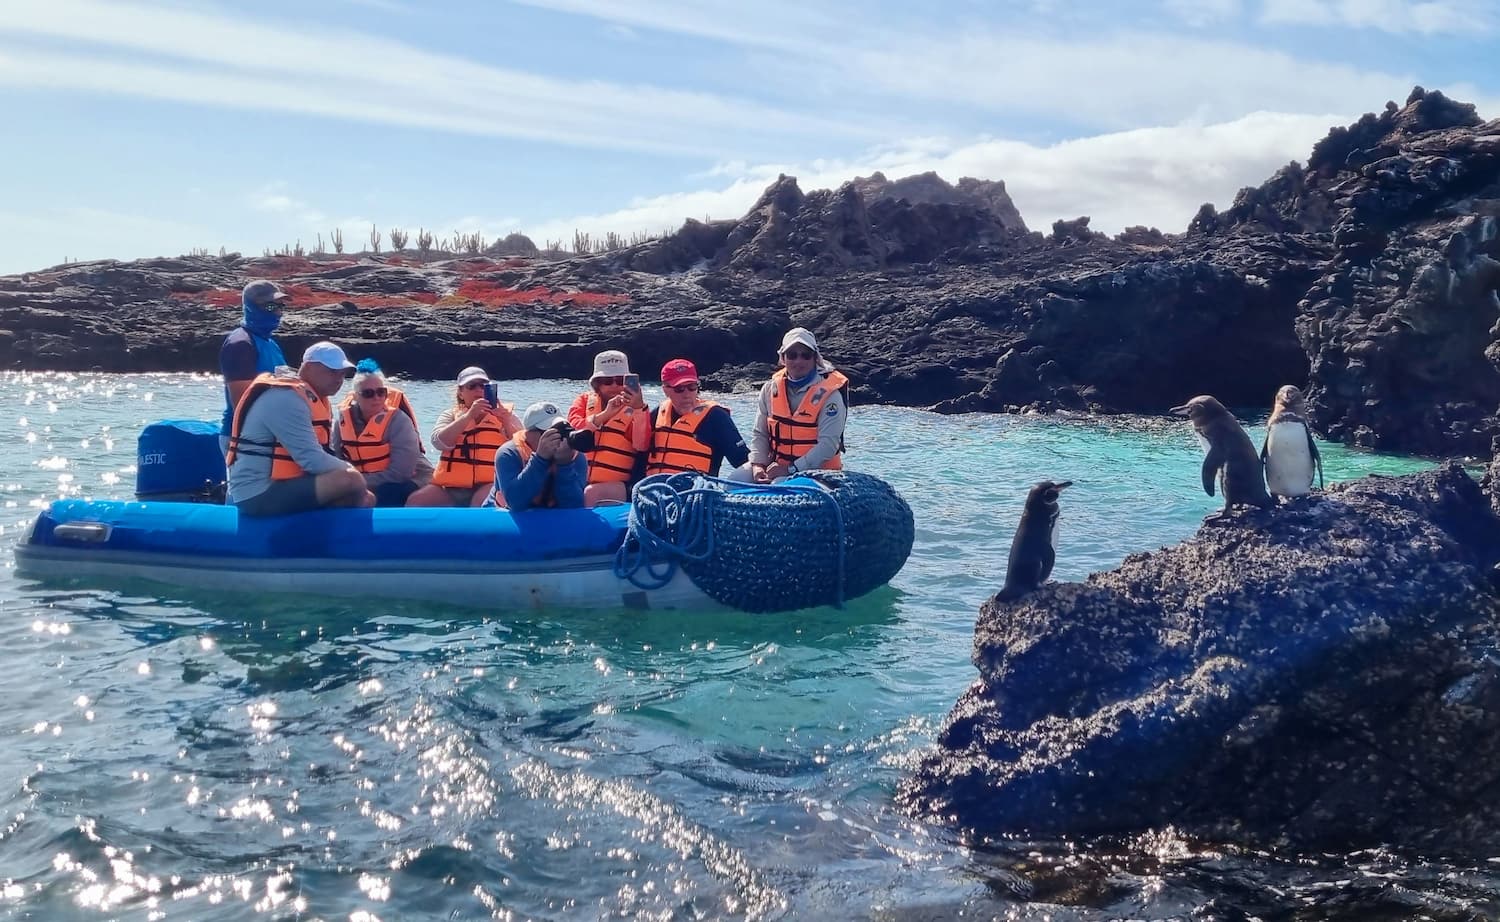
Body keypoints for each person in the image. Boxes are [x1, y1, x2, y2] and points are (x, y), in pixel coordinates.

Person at [225, 341, 374, 515]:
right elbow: (311, 460)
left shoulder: (311, 397)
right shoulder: (286, 398)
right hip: (258, 492)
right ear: (308, 367)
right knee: (351, 480)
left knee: (366, 497)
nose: (338, 380)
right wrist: (354, 472)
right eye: (332, 372)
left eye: (342, 374)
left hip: (286, 484)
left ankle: (331, 537)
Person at [406, 366, 523, 508]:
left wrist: (507, 423)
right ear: (461, 393)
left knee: (480, 503)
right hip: (451, 487)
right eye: (472, 386)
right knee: (416, 501)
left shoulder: (506, 415)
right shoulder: (450, 415)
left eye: (483, 385)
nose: (478, 390)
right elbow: (438, 442)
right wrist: (468, 417)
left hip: (489, 483)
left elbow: (523, 447)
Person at [750, 327, 849, 482]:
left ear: (815, 358)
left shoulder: (831, 396)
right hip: (777, 466)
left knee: (778, 486)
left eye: (805, 355)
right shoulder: (769, 389)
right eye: (792, 355)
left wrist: (790, 469)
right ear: (783, 358)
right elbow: (760, 433)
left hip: (819, 473)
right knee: (734, 481)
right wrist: (758, 465)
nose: (798, 361)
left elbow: (828, 445)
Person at [331, 359, 434, 507]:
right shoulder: (342, 421)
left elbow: (400, 474)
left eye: (381, 392)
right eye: (368, 393)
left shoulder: (398, 421)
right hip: (362, 480)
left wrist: (356, 482)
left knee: (388, 493)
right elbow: (336, 458)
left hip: (410, 478)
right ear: (355, 397)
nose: (377, 398)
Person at [567, 350, 650, 506]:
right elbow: (573, 430)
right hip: (578, 479)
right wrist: (605, 415)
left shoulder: (637, 410)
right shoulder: (584, 401)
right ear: (597, 384)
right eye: (607, 381)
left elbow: (642, 444)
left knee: (591, 493)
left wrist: (638, 409)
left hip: (616, 486)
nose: (614, 386)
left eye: (619, 381)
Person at [645, 359, 750, 477]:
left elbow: (742, 460)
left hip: (695, 492)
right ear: (665, 390)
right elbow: (639, 458)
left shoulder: (716, 417)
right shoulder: (657, 414)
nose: (687, 394)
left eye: (692, 387)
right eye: (679, 389)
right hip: (653, 490)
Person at [219, 280, 289, 455]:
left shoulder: (271, 344)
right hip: (245, 439)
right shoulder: (240, 344)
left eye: (281, 306)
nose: (279, 312)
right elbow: (242, 403)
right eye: (272, 306)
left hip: (271, 434)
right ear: (251, 307)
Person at [492, 401, 588, 511]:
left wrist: (564, 464)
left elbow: (574, 506)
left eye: (561, 431)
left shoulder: (575, 455)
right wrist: (540, 459)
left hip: (553, 518)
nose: (559, 437)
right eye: (550, 432)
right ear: (528, 434)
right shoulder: (508, 453)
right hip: (505, 517)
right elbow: (515, 503)